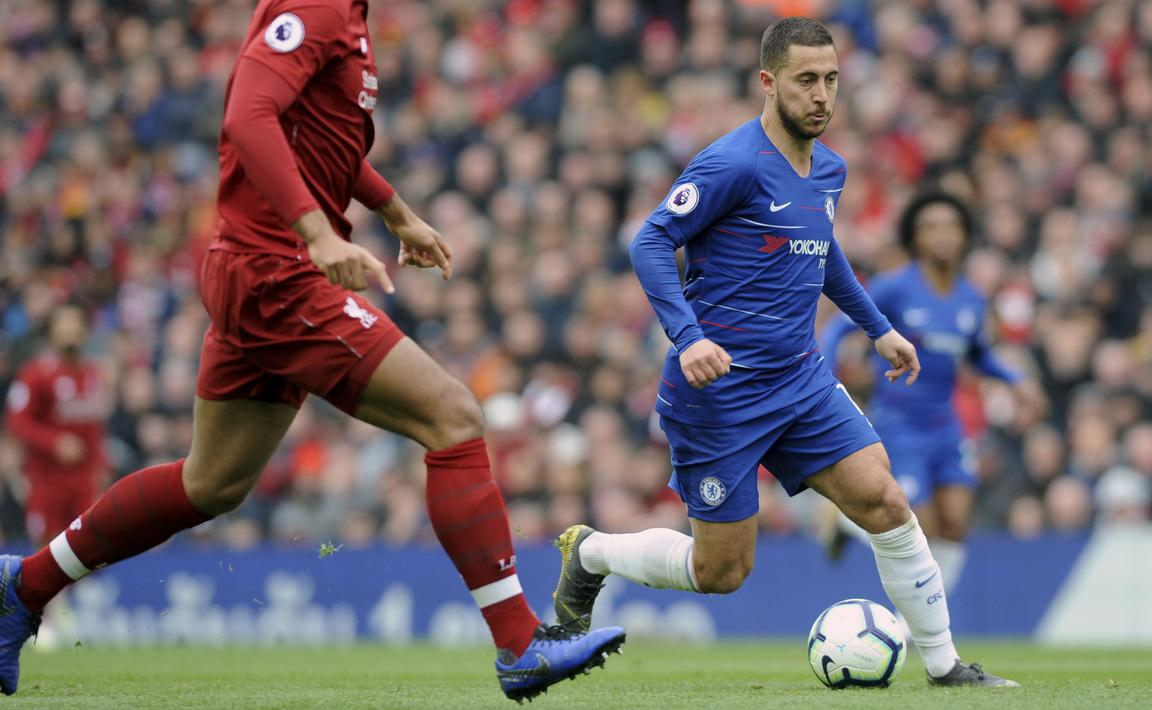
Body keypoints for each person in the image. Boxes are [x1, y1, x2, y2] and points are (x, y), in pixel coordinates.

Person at [0, 1, 622, 701]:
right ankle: (519, 644)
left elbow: (317, 138)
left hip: (257, 266)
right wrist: (318, 234)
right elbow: (246, 116)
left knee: (212, 484)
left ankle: (24, 586)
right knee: (453, 418)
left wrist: (392, 209)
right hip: (277, 268)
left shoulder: (344, 15)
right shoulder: (316, 5)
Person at [551, 17, 1017, 688]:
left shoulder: (828, 168)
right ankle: (589, 553)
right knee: (722, 572)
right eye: (805, 81)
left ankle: (945, 667)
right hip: (720, 393)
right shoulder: (731, 163)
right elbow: (649, 242)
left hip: (799, 380)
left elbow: (821, 254)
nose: (821, 95)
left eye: (830, 80)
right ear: (767, 84)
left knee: (884, 501)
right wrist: (688, 338)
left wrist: (877, 327)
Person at [817, 191, 1045, 596]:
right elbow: (838, 328)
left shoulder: (971, 297)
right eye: (931, 227)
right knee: (918, 529)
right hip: (899, 423)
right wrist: (826, 377)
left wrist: (1015, 380)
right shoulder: (894, 288)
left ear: (964, 235)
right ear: (914, 237)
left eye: (951, 226)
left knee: (956, 524)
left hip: (946, 423)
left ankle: (853, 530)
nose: (942, 236)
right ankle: (857, 531)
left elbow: (977, 353)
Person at [5, 305, 108, 546]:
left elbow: (94, 428)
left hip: (84, 480)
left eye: (75, 327)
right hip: (47, 479)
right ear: (52, 333)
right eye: (64, 327)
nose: (70, 333)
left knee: (87, 548)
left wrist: (101, 464)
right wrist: (54, 442)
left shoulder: (93, 374)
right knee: (47, 548)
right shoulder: (35, 374)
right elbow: (16, 421)